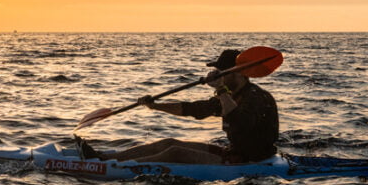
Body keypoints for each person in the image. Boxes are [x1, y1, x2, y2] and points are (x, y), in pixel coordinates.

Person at [77, 49, 279, 164]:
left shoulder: (257, 98)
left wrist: (221, 89)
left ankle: (116, 167)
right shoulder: (230, 94)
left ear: (238, 74)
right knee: (168, 142)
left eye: (221, 72)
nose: (217, 75)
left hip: (253, 160)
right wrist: (155, 106)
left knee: (176, 153)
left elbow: (239, 122)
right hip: (234, 152)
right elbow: (192, 109)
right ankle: (104, 158)